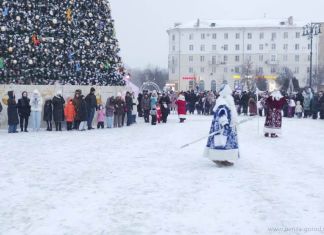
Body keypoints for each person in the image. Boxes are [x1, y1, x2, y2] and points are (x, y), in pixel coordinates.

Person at [204, 84, 239, 167]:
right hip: (221, 126)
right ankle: (218, 157)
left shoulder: (227, 100)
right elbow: (221, 113)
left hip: (227, 125)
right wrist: (225, 123)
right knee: (221, 142)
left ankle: (224, 158)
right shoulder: (222, 102)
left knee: (225, 142)